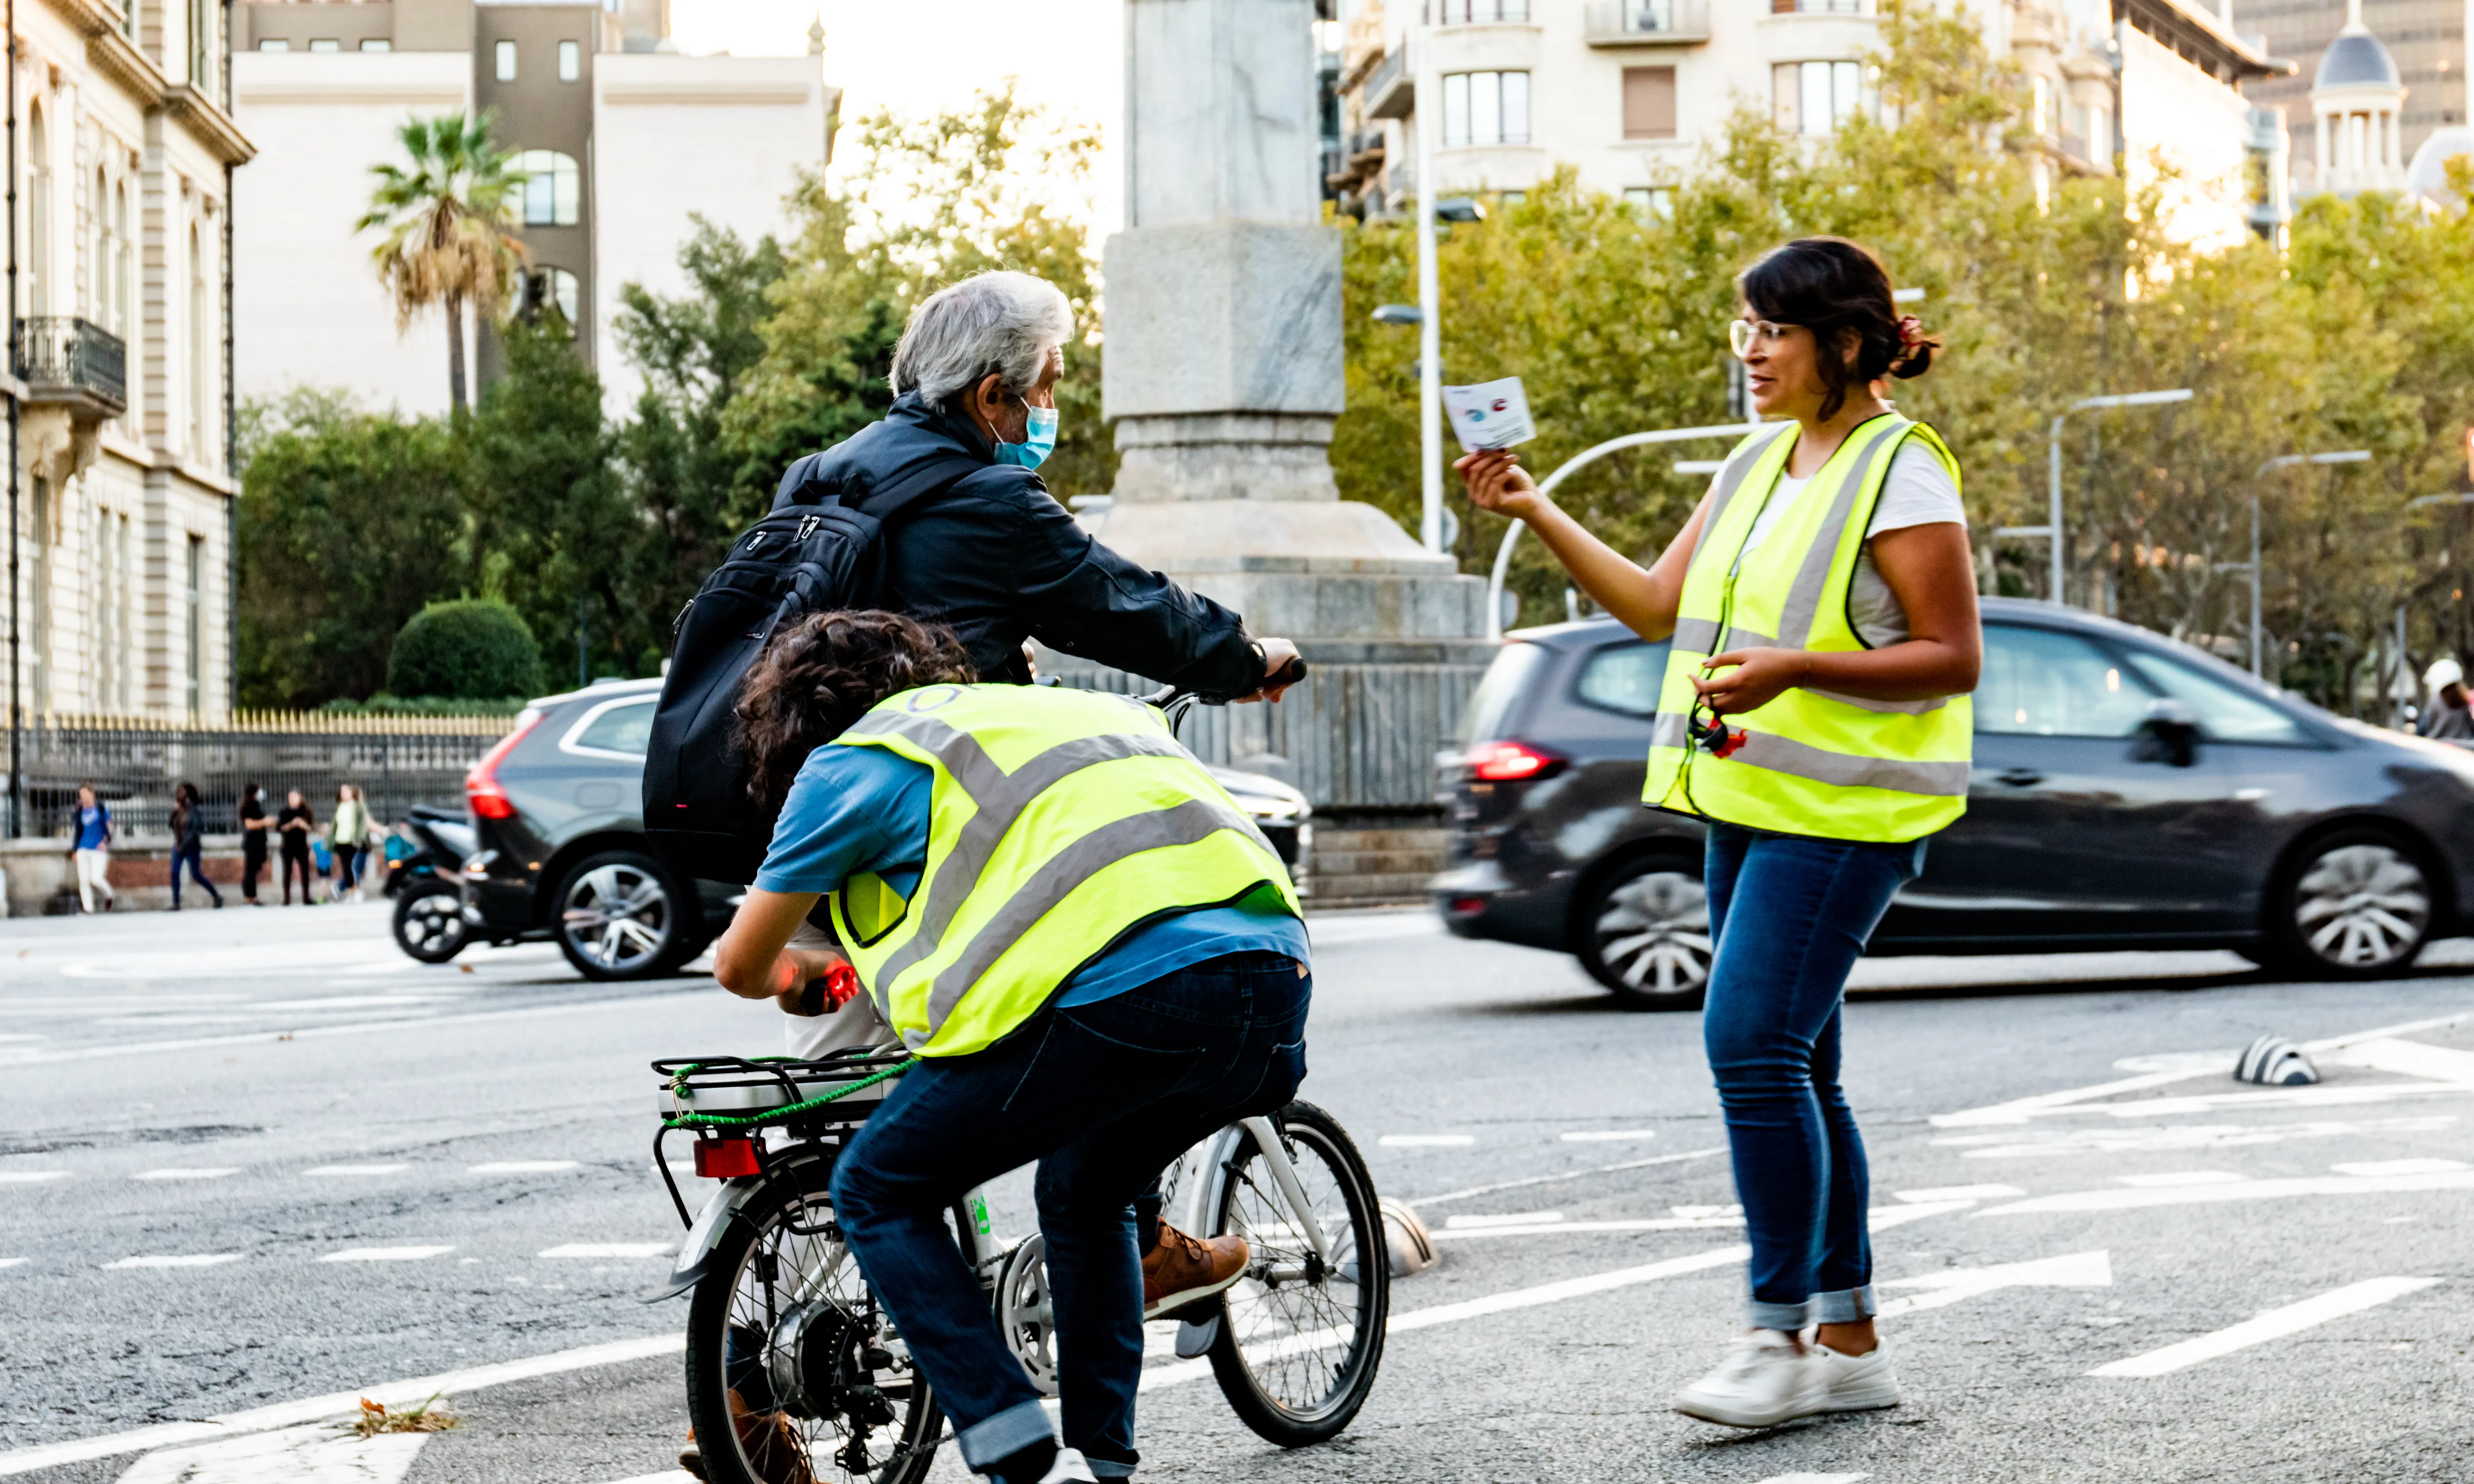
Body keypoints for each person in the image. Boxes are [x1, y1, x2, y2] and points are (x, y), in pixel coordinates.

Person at [1456, 236, 1980, 1429]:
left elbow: (1950, 656)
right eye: (1738, 328)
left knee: (1748, 1047)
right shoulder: (1755, 462)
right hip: (1744, 802)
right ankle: (1847, 1342)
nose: (1747, 351)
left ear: (1841, 345)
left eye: (1771, 331)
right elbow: (1655, 606)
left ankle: (1774, 1334)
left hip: (1846, 812)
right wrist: (1536, 509)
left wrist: (1796, 665)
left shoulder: (1897, 469)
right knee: (1803, 1066)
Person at [754, 268, 1301, 1310]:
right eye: (1045, 386)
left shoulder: (817, 478)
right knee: (1102, 1002)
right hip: (959, 847)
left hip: (820, 834)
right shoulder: (990, 498)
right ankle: (1130, 1240)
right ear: (988, 396)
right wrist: (1245, 655)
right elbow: (1125, 607)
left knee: (832, 1110)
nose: (1049, 408)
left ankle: (759, 1366)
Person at [708, 610, 1312, 1484]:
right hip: (1275, 987)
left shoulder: (853, 763)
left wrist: (800, 979)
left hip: (1126, 1001)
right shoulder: (1062, 712)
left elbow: (739, 963)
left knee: (878, 1186)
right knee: (1086, 1191)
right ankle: (1101, 1464)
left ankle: (1014, 1450)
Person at [168, 782, 224, 911]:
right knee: (175, 873)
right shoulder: (178, 810)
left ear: (188, 794)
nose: (180, 794)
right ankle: (176, 903)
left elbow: (196, 830)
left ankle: (216, 896)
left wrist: (185, 845)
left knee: (196, 875)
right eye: (179, 791)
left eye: (182, 791)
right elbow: (171, 825)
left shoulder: (194, 810)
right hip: (178, 846)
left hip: (192, 847)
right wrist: (174, 812)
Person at [69, 783, 115, 913]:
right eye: (81, 795)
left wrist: (105, 842)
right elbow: (77, 831)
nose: (82, 797)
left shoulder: (101, 809)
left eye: (85, 794)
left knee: (96, 878)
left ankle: (109, 894)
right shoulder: (80, 811)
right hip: (83, 847)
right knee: (83, 880)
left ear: (92, 794)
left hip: (98, 848)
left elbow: (109, 827)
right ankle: (88, 909)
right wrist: (75, 850)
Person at [277, 790, 316, 906]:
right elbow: (280, 828)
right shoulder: (284, 812)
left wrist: (302, 825)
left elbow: (311, 828)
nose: (293, 799)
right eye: (291, 797)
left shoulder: (306, 811)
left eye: (295, 797)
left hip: (301, 845)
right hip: (288, 845)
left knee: (305, 872)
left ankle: (306, 897)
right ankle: (287, 899)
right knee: (287, 872)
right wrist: (292, 824)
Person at [332, 784, 369, 902]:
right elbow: (336, 824)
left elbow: (362, 824)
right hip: (341, 841)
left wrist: (359, 838)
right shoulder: (340, 806)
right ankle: (350, 892)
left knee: (352, 866)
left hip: (352, 841)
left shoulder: (357, 806)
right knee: (346, 868)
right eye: (342, 792)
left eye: (346, 791)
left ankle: (355, 890)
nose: (344, 794)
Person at [2419, 656, 2472, 740]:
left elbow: (2422, 730)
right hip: (2464, 749)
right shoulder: (2464, 702)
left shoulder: (2435, 701)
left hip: (2437, 749)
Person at [238, 784, 270, 905]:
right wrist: (266, 822)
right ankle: (250, 897)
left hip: (256, 842)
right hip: (253, 843)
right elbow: (249, 824)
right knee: (251, 871)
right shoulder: (251, 805)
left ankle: (251, 896)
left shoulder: (252, 805)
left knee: (253, 870)